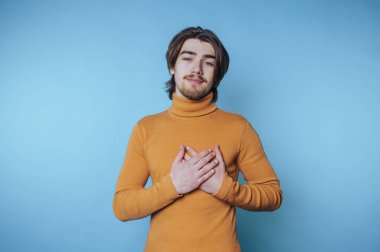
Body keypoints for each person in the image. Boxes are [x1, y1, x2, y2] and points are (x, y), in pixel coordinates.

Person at [113, 26, 283, 252]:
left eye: (209, 62)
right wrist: (174, 186)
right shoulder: (146, 128)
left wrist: (225, 188)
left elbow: (273, 195)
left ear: (217, 75)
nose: (197, 69)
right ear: (172, 66)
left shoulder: (238, 127)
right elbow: (122, 207)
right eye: (187, 58)